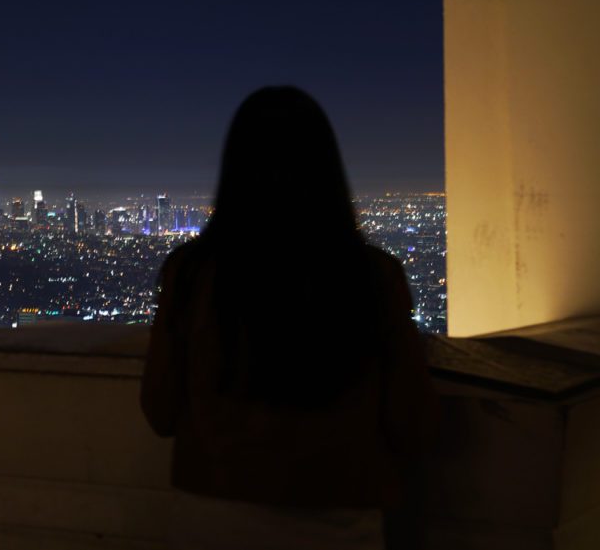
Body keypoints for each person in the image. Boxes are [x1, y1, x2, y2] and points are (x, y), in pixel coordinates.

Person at [140, 86, 437, 549]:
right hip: (338, 518)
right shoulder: (374, 277)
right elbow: (411, 424)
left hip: (211, 516)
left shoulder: (192, 274)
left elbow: (160, 411)